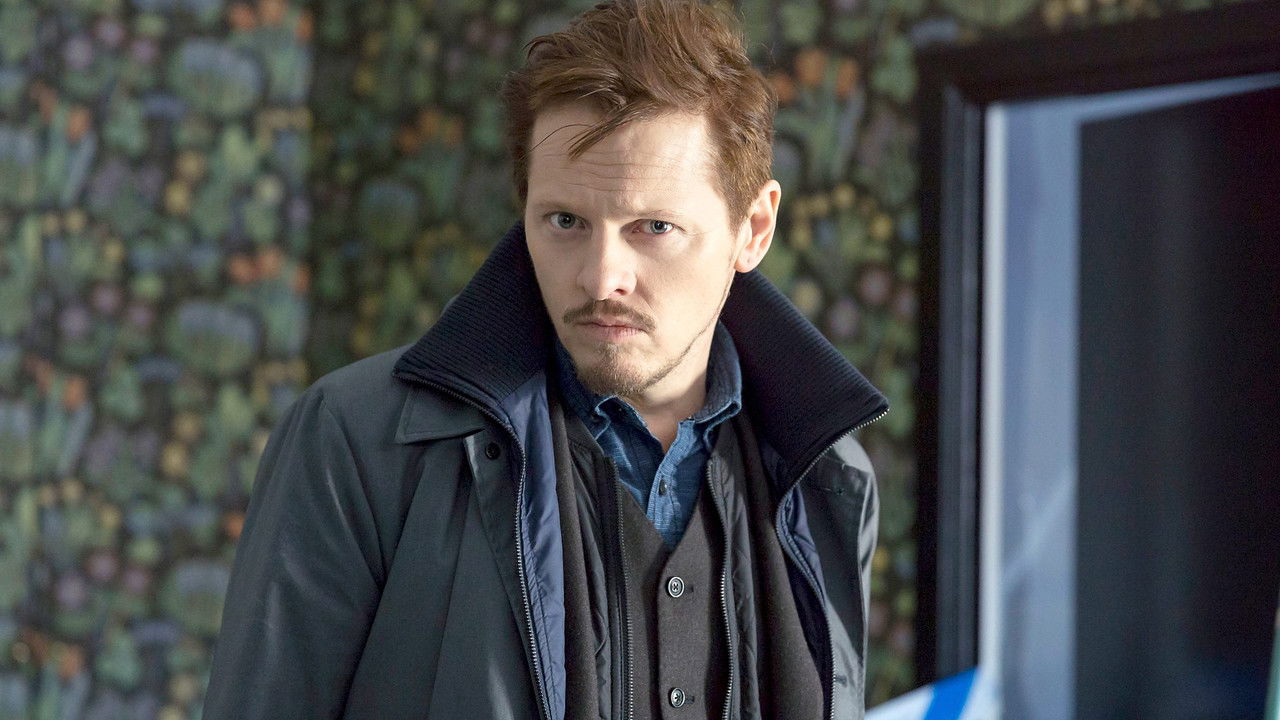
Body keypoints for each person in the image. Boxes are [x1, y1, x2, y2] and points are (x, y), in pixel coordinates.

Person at [202, 1, 888, 718]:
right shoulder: (355, 440)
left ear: (754, 228)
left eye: (654, 227)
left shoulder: (831, 480)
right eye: (566, 221)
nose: (600, 277)